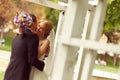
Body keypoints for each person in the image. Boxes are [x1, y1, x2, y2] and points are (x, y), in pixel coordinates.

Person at [4, 11, 45, 80]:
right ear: (33, 23)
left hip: (9, 72)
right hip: (20, 75)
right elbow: (32, 59)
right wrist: (42, 65)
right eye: (37, 23)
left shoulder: (16, 37)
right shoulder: (33, 37)